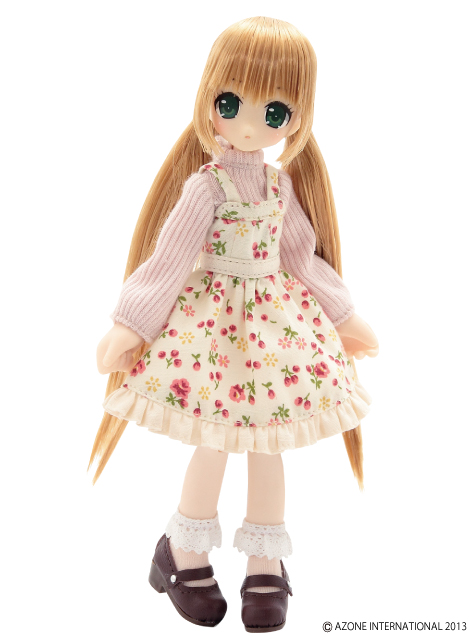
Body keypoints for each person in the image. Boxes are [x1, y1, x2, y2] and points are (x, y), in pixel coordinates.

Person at [91, 16, 379, 633]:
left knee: (269, 445)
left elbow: (301, 256)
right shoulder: (207, 186)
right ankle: (182, 551)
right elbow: (169, 259)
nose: (249, 125)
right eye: (231, 104)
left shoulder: (280, 187)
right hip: (213, 333)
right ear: (209, 100)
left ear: (296, 118)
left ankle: (264, 561)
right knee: (216, 441)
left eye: (274, 113)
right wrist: (131, 322)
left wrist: (343, 313)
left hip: (275, 330)